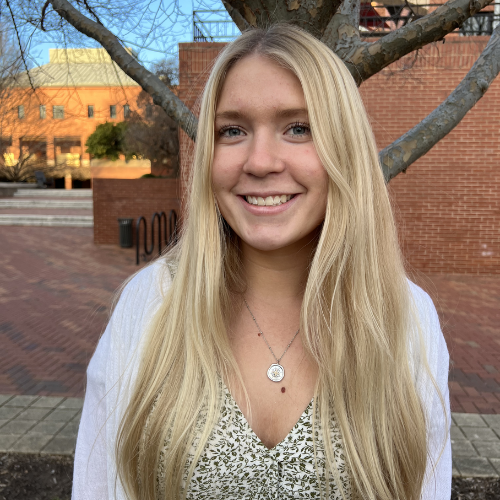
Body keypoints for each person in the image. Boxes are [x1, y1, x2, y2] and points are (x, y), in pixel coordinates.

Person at [72, 24, 451, 500]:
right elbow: (97, 486)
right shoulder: (150, 305)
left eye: (298, 128)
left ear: (345, 147)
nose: (260, 161)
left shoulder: (406, 318)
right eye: (233, 130)